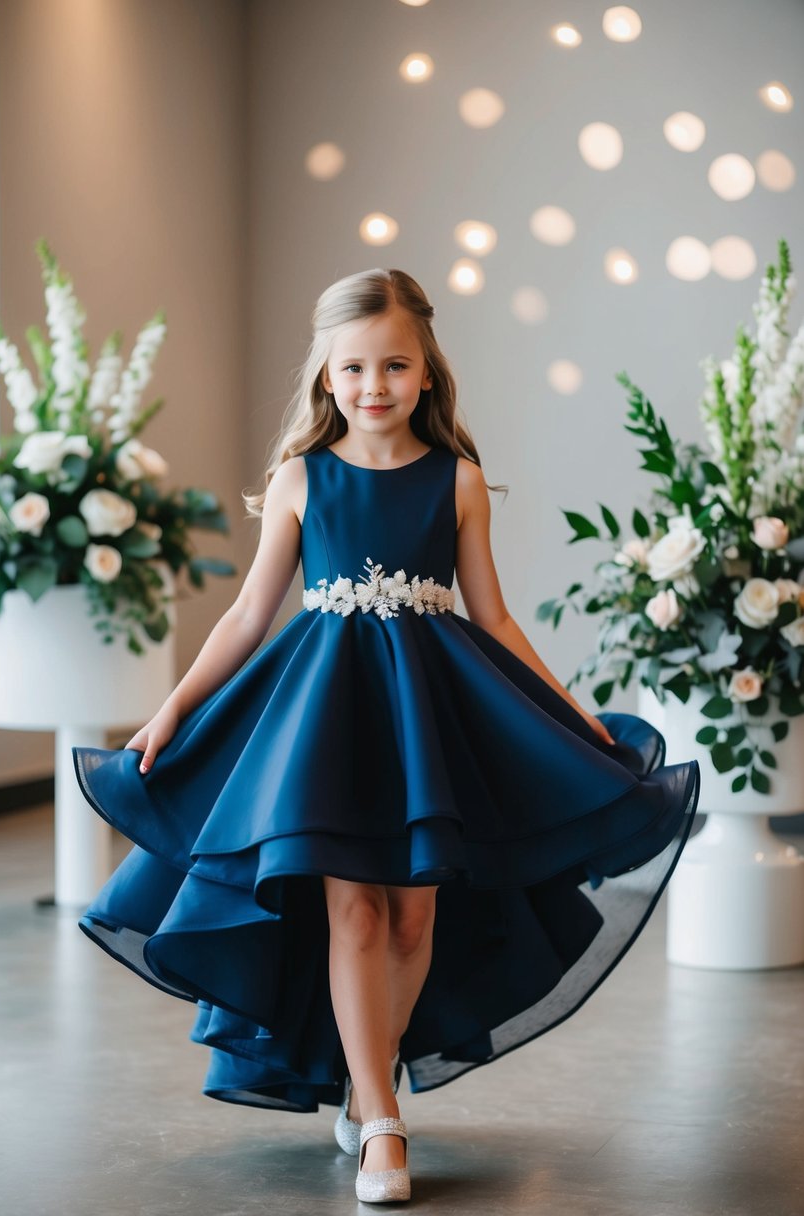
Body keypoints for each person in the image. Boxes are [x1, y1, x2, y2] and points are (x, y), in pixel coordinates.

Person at [72, 267, 700, 1205]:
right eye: (354, 368)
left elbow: (492, 618)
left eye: (394, 366)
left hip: (426, 717)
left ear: (426, 374)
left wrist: (571, 717)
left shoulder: (457, 481)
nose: (374, 386)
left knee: (413, 917)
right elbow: (247, 616)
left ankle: (372, 1075)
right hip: (321, 723)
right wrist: (173, 709)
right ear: (326, 376)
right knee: (354, 911)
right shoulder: (300, 479)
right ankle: (380, 1119)